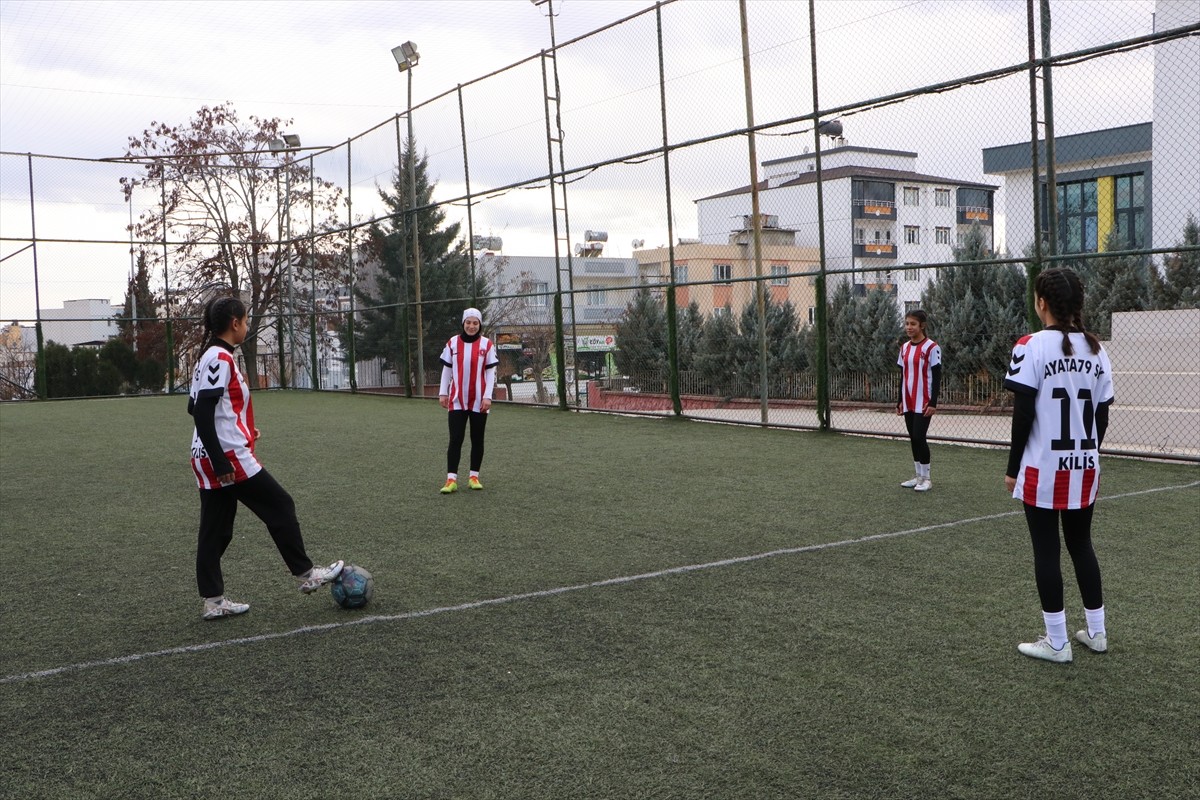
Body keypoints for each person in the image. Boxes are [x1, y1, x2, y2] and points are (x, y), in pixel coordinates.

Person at [188, 296, 343, 620]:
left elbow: (199, 408)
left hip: (208, 450)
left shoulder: (208, 357)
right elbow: (202, 411)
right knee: (280, 504)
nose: (246, 325)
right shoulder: (220, 358)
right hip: (226, 456)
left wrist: (241, 430)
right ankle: (306, 574)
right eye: (246, 320)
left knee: (217, 529)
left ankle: (213, 602)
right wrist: (221, 459)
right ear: (235, 323)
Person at [1004, 267, 1114, 663]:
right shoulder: (1098, 350)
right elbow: (1101, 418)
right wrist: (1087, 453)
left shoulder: (1029, 345)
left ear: (1042, 303)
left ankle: (1057, 642)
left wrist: (1013, 466)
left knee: (1047, 551)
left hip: (1043, 468)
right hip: (1085, 466)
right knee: (1082, 545)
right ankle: (1097, 633)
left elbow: (1023, 415)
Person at [438, 307, 499, 494]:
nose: (471, 326)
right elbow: (447, 370)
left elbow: (490, 373)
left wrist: (488, 396)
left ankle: (474, 476)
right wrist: (443, 393)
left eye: (475, 323)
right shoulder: (453, 343)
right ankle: (451, 479)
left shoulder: (487, 345)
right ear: (463, 323)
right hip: (457, 400)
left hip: (479, 401)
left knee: (477, 439)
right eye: (468, 322)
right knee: (455, 439)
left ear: (479, 325)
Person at [896, 309, 941, 492]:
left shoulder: (932, 347)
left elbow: (937, 376)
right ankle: (917, 476)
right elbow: (903, 375)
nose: (909, 327)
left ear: (922, 325)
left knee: (919, 436)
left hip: (924, 400)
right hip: (908, 400)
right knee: (912, 438)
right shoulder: (904, 348)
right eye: (907, 323)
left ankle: (927, 478)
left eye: (913, 324)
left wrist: (933, 403)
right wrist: (899, 400)